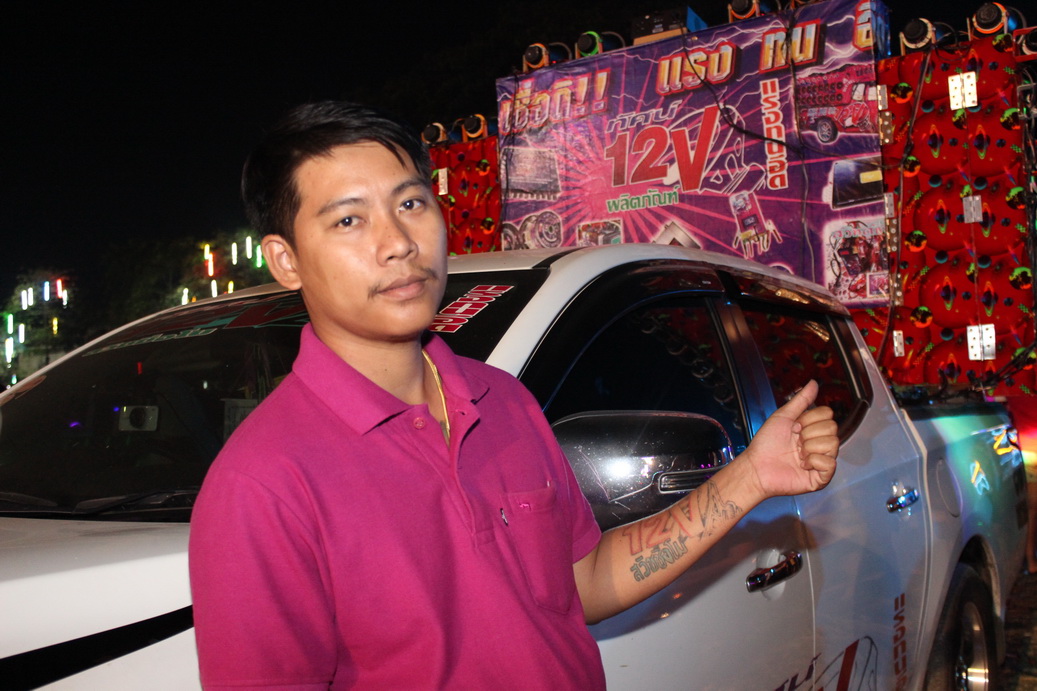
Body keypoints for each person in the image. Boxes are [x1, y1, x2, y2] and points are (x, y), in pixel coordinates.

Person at [188, 101, 839, 689]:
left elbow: (585, 580)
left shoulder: (501, 399)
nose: (399, 244)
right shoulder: (262, 484)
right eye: (349, 219)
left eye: (410, 204)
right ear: (286, 259)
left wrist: (751, 477)